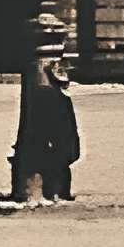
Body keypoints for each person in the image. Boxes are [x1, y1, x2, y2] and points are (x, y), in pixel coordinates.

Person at [11, 59, 82, 203]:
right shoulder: (59, 99)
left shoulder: (58, 99)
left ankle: (55, 192)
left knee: (58, 158)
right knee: (58, 160)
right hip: (55, 148)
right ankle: (55, 192)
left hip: (55, 146)